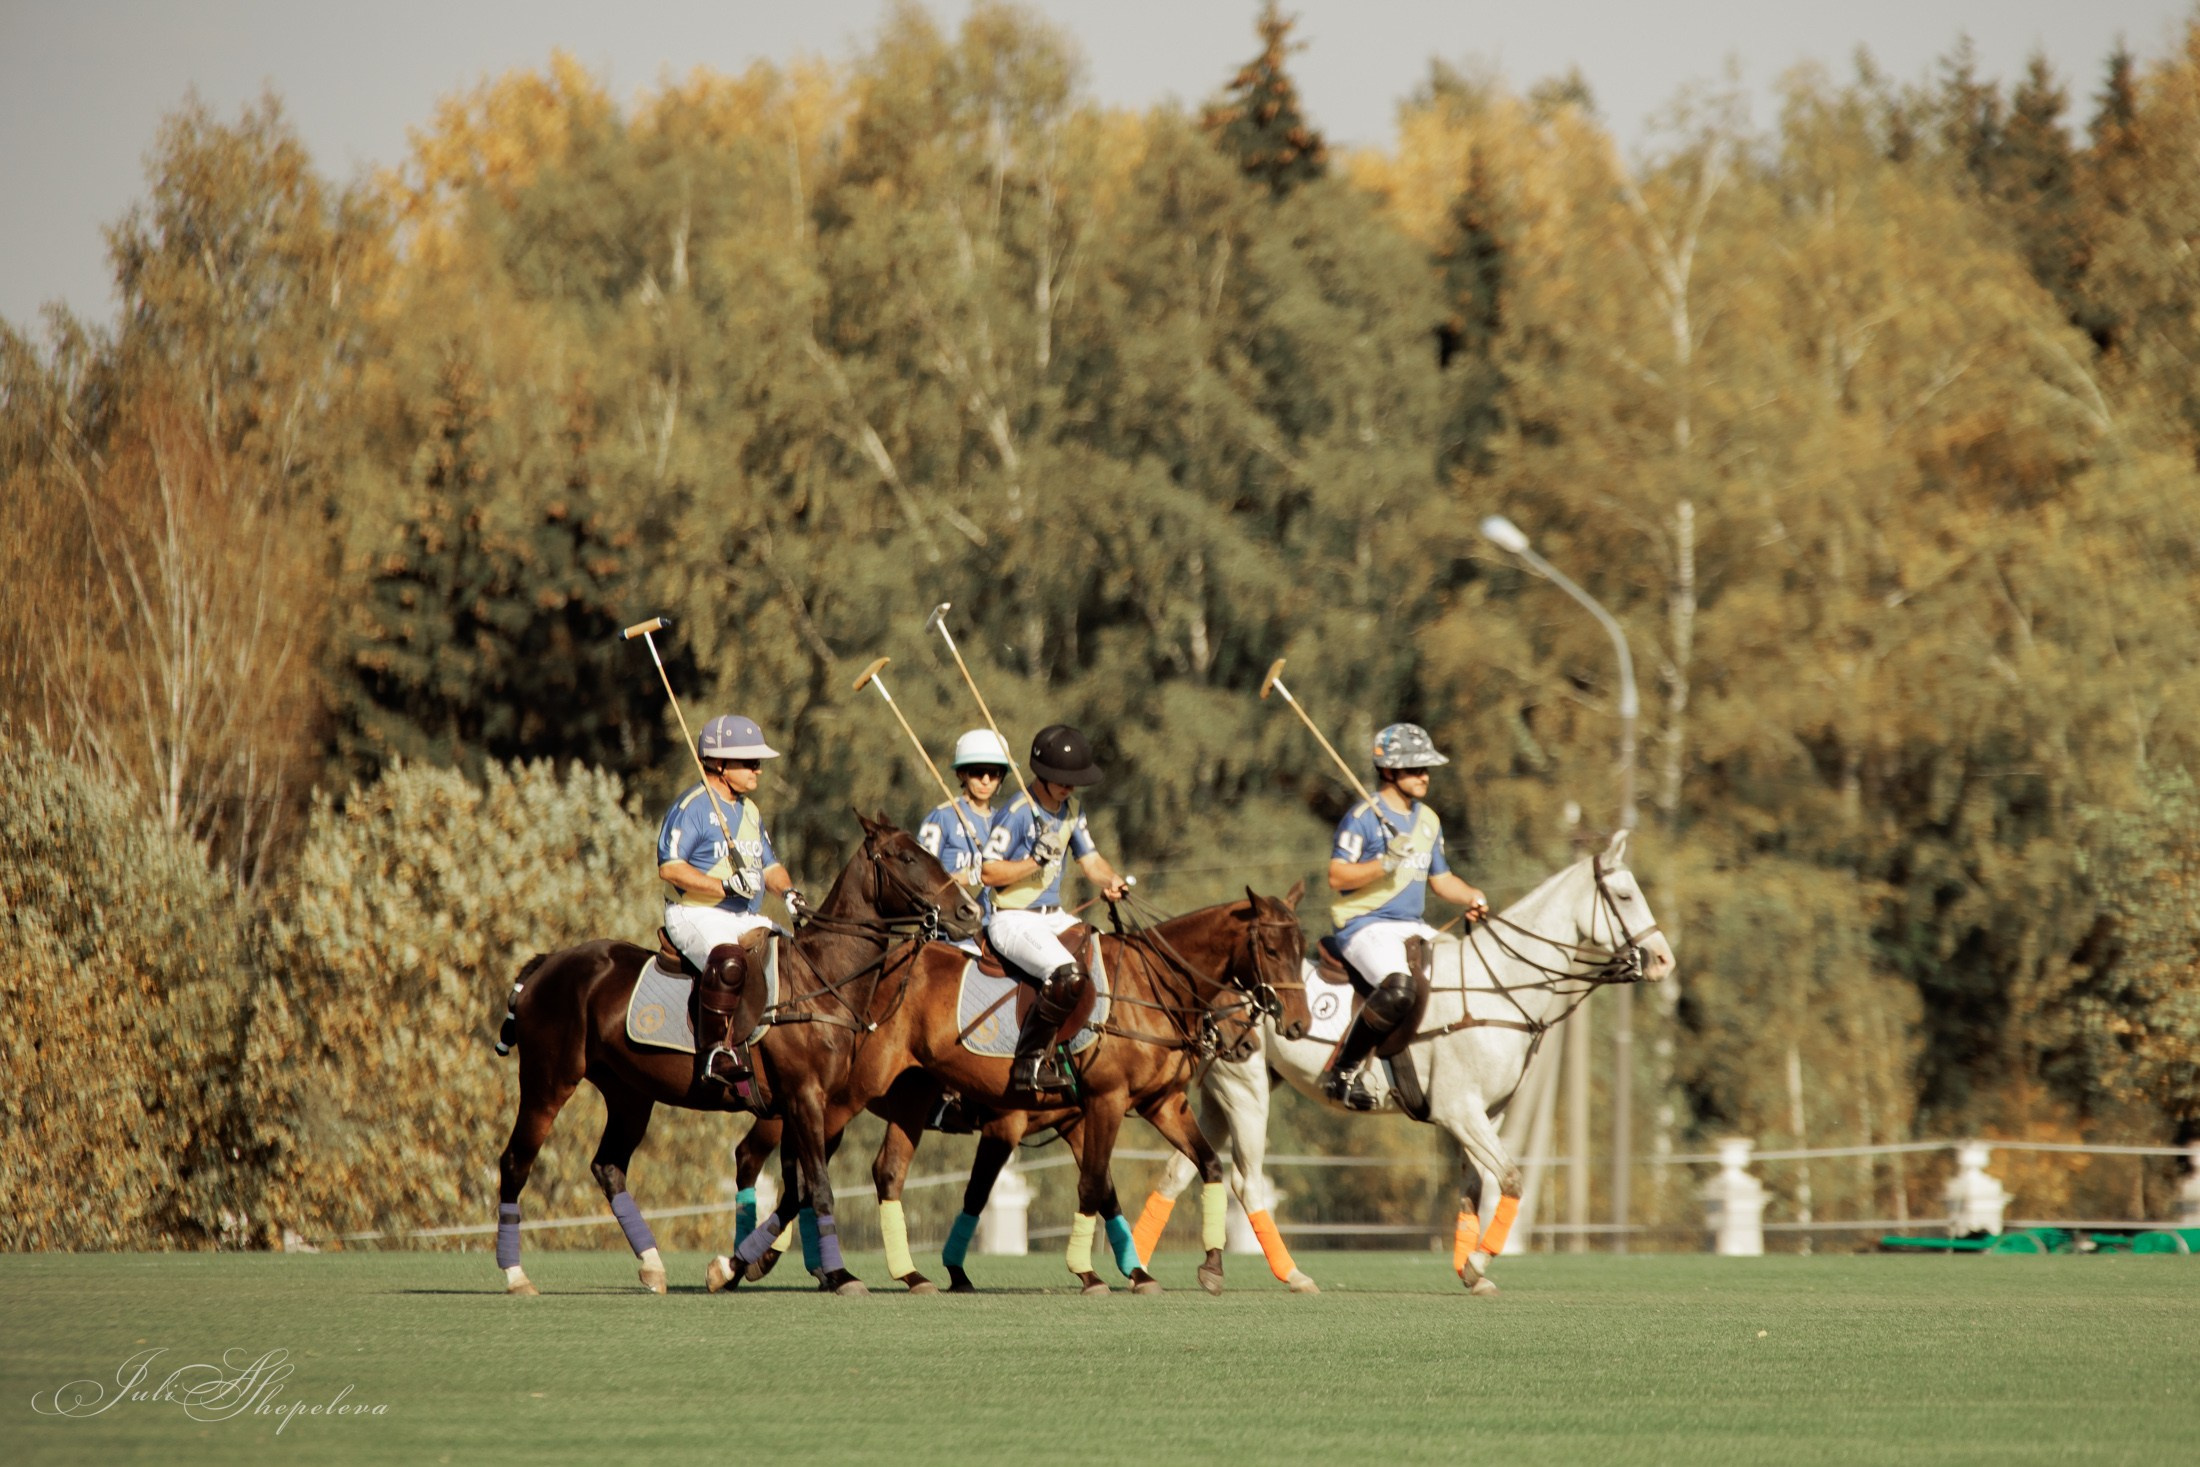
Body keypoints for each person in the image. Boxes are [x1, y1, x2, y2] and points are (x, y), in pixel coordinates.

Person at [1319, 722, 1488, 1109]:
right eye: (1415, 769)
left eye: (1426, 769)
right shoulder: (1363, 817)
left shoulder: (1428, 820)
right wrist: (1383, 864)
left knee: (1463, 979)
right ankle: (1343, 1071)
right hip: (1364, 924)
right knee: (1398, 987)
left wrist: (1472, 895)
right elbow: (1336, 876)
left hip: (1412, 926)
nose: (1424, 776)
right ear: (1389, 771)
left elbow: (1442, 882)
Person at [656, 714, 805, 1099]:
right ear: (719, 765)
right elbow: (670, 867)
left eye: (758, 762)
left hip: (742, 914)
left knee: (798, 955)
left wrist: (789, 893)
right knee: (730, 959)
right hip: (696, 911)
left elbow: (769, 866)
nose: (758, 769)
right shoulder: (693, 806)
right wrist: (722, 884)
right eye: (749, 762)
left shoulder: (750, 811)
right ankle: (714, 1052)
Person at [980, 724, 1129, 1093]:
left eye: (1073, 781)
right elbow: (988, 872)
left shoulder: (1072, 810)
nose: (1068, 787)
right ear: (1041, 775)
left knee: (1106, 958)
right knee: (1067, 973)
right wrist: (1033, 861)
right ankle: (1027, 1064)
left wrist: (1112, 881)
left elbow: (1090, 860)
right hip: (1012, 920)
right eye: (1060, 780)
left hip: (1053, 917)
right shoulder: (1016, 812)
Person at [918, 729, 1011, 934]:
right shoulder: (943, 817)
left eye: (994, 773)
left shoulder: (1005, 820)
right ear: (962, 774)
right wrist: (970, 876)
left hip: (996, 928)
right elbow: (920, 880)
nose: (986, 781)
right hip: (952, 931)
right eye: (978, 772)